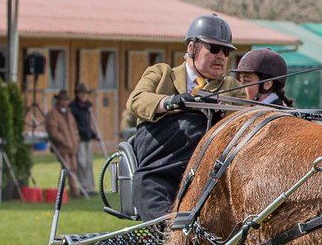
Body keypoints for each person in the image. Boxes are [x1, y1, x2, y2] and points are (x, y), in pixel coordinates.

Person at [125, 14, 239, 220]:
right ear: (191, 48)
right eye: (214, 49)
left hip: (208, 167)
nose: (221, 56)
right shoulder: (161, 73)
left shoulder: (231, 87)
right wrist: (171, 101)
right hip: (162, 162)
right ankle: (166, 228)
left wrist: (222, 111)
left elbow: (245, 117)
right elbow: (137, 100)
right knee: (148, 185)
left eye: (226, 51)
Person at [44, 90, 84, 195]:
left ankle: (74, 191)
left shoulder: (69, 113)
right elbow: (53, 131)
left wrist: (76, 139)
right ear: (59, 100)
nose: (65, 102)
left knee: (74, 168)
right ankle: (61, 192)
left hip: (72, 146)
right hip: (61, 147)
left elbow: (74, 128)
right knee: (66, 168)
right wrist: (63, 140)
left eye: (66, 100)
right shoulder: (52, 113)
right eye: (63, 100)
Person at [69, 83, 100, 195]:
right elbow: (75, 125)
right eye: (81, 93)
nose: (83, 95)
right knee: (81, 164)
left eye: (85, 93)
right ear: (77, 94)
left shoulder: (87, 107)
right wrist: (86, 132)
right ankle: (84, 187)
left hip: (87, 139)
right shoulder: (73, 107)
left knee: (89, 163)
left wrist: (93, 135)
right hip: (79, 139)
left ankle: (91, 187)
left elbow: (88, 124)